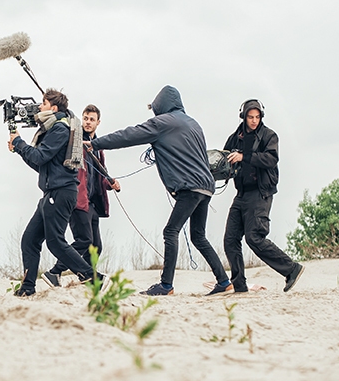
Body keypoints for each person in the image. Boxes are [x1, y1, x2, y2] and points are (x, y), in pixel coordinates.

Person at [89, 86, 231, 296]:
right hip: (206, 186)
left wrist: (95, 143)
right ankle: (224, 281)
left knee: (170, 231)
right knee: (198, 236)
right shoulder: (194, 124)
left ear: (161, 106)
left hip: (190, 188)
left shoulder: (163, 122)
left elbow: (129, 135)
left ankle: (166, 285)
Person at [9, 89, 99, 296]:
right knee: (29, 240)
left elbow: (39, 156)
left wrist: (19, 142)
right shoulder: (54, 129)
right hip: (50, 193)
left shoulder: (60, 129)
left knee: (55, 242)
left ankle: (92, 277)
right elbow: (41, 165)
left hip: (61, 192)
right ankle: (27, 287)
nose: (39, 107)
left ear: (54, 108)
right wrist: (19, 149)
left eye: (43, 103)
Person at [222, 99, 304, 293]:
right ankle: (239, 286)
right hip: (241, 194)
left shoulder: (269, 136)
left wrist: (244, 157)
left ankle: (291, 269)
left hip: (260, 193)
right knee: (230, 240)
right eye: (250, 117)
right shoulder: (235, 138)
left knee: (254, 237)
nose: (254, 121)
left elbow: (271, 159)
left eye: (257, 117)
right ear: (243, 117)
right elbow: (224, 158)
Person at [42, 105, 120, 287]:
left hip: (92, 202)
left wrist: (110, 184)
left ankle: (85, 277)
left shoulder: (98, 147)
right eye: (85, 118)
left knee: (96, 247)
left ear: (98, 122)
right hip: (77, 198)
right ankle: (56, 272)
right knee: (84, 240)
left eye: (92, 119)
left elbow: (98, 176)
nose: (88, 122)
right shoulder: (75, 141)